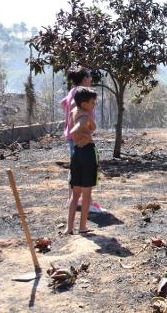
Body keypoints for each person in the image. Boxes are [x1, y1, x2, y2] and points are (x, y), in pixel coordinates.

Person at [64, 87, 99, 235]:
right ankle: (82, 226)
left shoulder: (73, 111)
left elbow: (73, 128)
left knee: (75, 193)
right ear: (84, 104)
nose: (94, 104)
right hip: (87, 153)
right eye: (92, 102)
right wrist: (87, 135)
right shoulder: (84, 116)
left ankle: (69, 228)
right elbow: (74, 131)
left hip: (76, 153)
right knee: (86, 193)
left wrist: (86, 131)